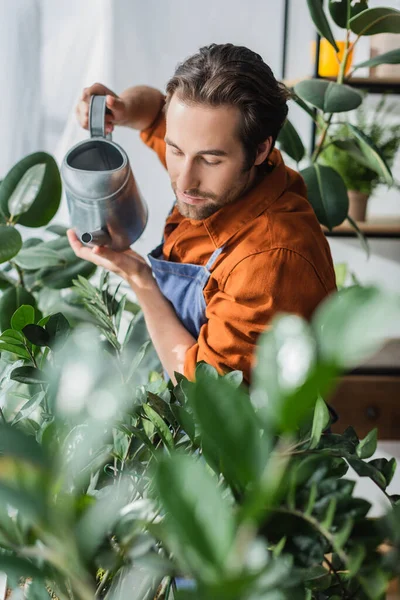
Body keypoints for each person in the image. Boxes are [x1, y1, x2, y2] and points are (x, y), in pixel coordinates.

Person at [68, 43, 336, 385]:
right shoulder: (220, 153)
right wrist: (118, 109)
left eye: (210, 160)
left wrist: (139, 278)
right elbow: (152, 112)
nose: (185, 180)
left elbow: (206, 395)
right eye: (175, 150)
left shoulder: (269, 262)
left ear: (260, 149)